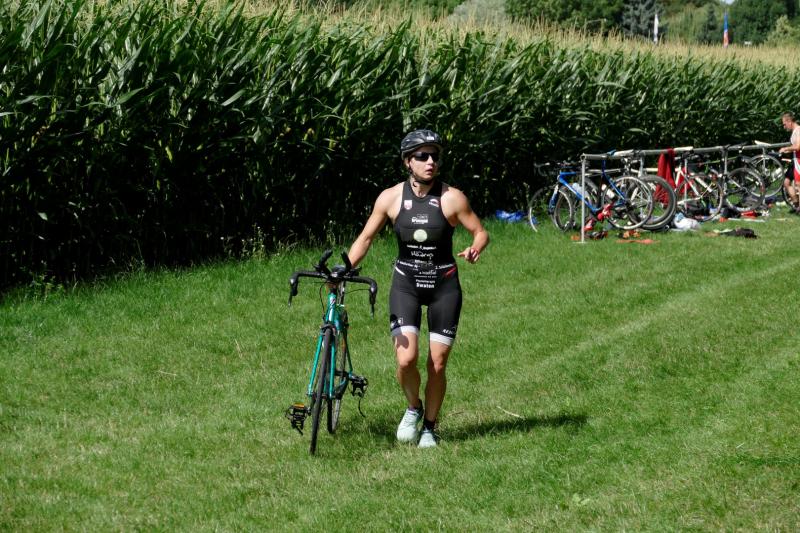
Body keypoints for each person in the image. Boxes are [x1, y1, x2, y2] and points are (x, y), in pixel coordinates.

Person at [347, 129, 489, 448]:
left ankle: (430, 428)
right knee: (405, 360)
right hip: (406, 284)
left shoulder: (452, 198)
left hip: (443, 285)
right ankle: (413, 407)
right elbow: (365, 238)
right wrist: (345, 268)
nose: (430, 162)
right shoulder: (390, 198)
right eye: (422, 156)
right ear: (407, 162)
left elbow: (480, 232)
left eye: (434, 156)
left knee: (437, 363)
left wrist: (476, 247)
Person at [779, 112, 800, 211]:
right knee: (787, 183)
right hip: (795, 160)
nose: (784, 127)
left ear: (789, 121)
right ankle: (796, 205)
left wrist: (786, 148)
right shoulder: (795, 131)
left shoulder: (798, 130)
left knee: (798, 185)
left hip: (799, 161)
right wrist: (788, 151)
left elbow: (798, 146)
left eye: (784, 124)